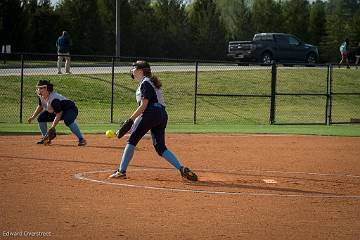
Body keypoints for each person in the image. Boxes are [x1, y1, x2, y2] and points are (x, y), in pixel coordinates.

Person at [109, 60, 198, 181]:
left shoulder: (145, 83)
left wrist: (130, 120)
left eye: (134, 68)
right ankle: (181, 169)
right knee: (160, 147)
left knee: (132, 140)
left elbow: (144, 106)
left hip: (152, 113)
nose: (132, 71)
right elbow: (147, 109)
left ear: (141, 70)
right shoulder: (149, 82)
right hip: (161, 115)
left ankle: (121, 171)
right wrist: (132, 124)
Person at [28, 80, 86, 146]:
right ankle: (46, 138)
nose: (39, 90)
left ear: (47, 89)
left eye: (41, 88)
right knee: (41, 118)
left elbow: (59, 113)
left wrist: (52, 127)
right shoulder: (42, 96)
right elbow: (41, 106)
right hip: (57, 111)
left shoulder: (54, 99)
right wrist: (33, 117)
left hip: (70, 109)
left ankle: (81, 139)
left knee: (68, 121)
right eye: (38, 88)